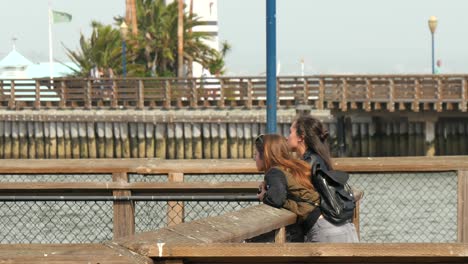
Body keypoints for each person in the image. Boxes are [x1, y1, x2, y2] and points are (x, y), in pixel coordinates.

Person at [287, 114, 359, 242]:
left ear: (300, 137)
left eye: (290, 132)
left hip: (326, 231)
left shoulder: (308, 163)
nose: (287, 137)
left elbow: (293, 193)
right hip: (345, 227)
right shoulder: (321, 159)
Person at [255, 134, 320, 242]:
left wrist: (264, 196)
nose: (254, 158)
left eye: (256, 154)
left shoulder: (274, 172)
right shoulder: (295, 167)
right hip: (326, 220)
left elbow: (277, 199)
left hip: (318, 226)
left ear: (265, 155)